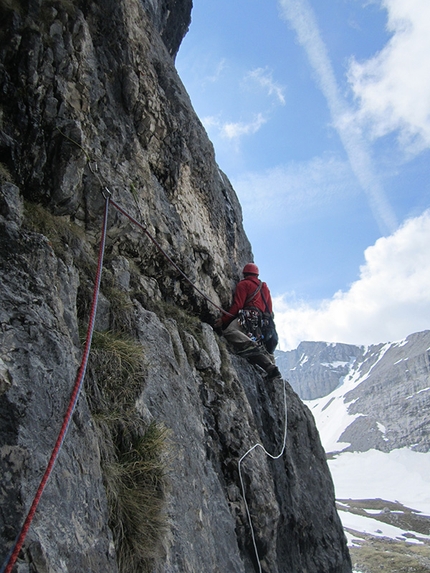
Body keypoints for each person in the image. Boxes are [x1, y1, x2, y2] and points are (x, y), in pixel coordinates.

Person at [215, 263, 281, 380]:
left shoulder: (244, 284)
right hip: (260, 322)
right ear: (257, 274)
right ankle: (270, 368)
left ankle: (250, 344)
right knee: (252, 352)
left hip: (247, 317)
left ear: (244, 274)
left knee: (230, 332)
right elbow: (269, 309)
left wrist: (224, 319)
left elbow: (238, 305)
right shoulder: (264, 287)